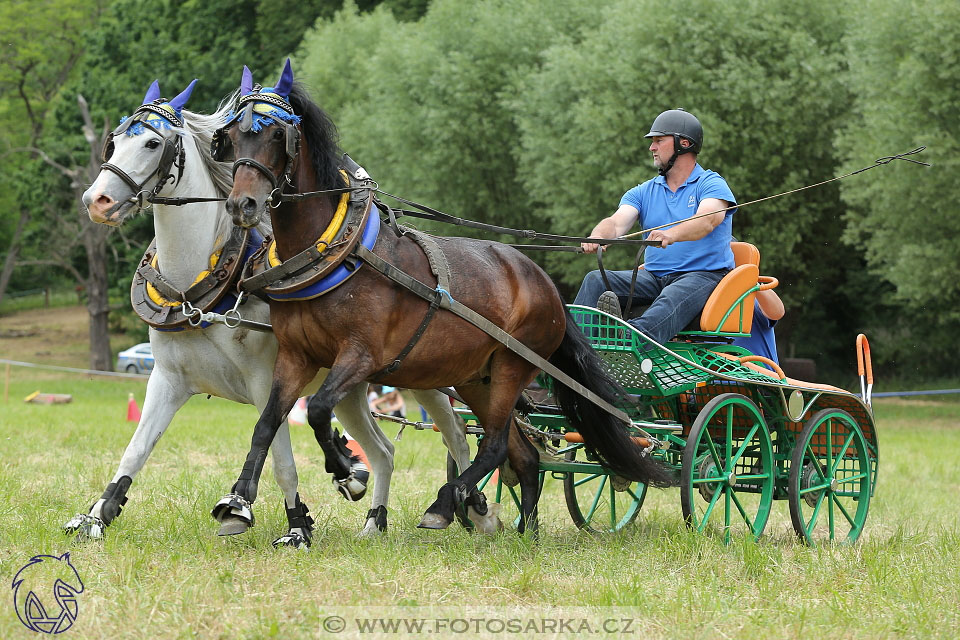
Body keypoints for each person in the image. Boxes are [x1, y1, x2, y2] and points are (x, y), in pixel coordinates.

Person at [574, 108, 738, 345]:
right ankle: (574, 351)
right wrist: (599, 235)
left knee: (670, 299)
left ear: (684, 143)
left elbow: (707, 220)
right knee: (595, 280)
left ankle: (626, 341)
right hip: (654, 276)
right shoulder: (643, 191)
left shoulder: (711, 184)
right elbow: (617, 222)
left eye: (659, 141)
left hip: (703, 276)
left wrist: (672, 234)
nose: (652, 147)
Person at [732, 288, 784, 367]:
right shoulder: (708, 299)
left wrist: (751, 281)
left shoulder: (751, 296)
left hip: (760, 377)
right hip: (715, 377)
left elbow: (777, 312)